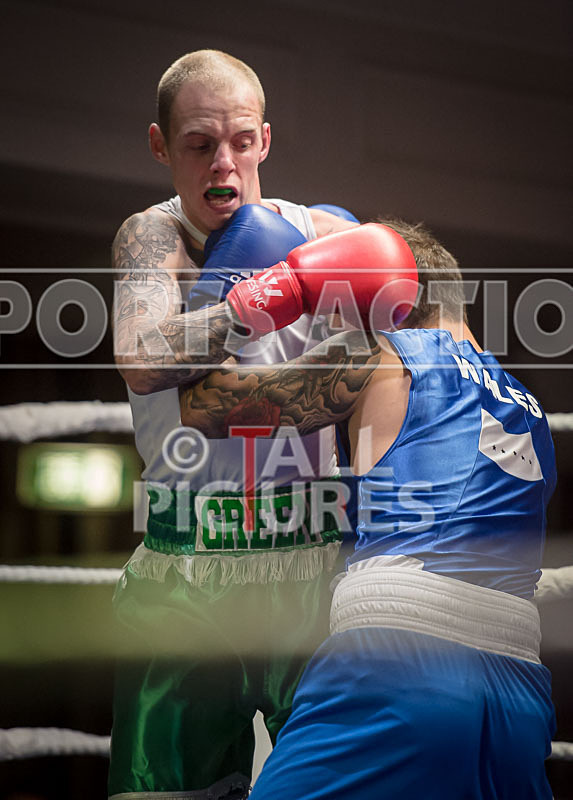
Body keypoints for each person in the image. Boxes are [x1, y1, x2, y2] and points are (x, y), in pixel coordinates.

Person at [178, 219, 557, 799]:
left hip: (398, 664)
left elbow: (201, 404)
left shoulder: (382, 354)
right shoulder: (529, 407)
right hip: (519, 697)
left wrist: (249, 297)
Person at [110, 49, 357, 800]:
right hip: (186, 566)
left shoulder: (321, 230)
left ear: (265, 140)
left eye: (241, 140)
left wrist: (220, 391)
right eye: (198, 143)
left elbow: (385, 368)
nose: (224, 162)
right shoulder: (151, 238)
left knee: (334, 788)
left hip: (311, 557)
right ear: (160, 145)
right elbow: (144, 360)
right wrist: (273, 295)